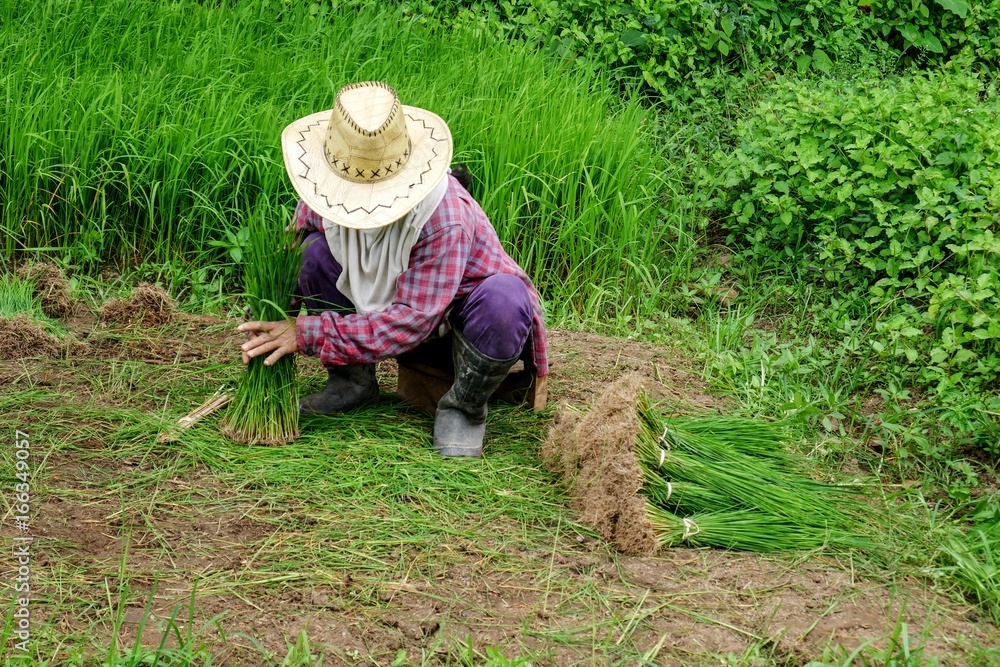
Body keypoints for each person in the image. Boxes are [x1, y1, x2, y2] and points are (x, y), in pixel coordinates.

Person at [238, 81, 548, 458]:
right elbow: (294, 241)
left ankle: (464, 407)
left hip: (452, 332)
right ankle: (353, 381)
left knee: (505, 299)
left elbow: (412, 322)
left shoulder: (444, 218)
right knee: (311, 252)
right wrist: (271, 310)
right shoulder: (326, 187)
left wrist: (306, 333)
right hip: (392, 315)